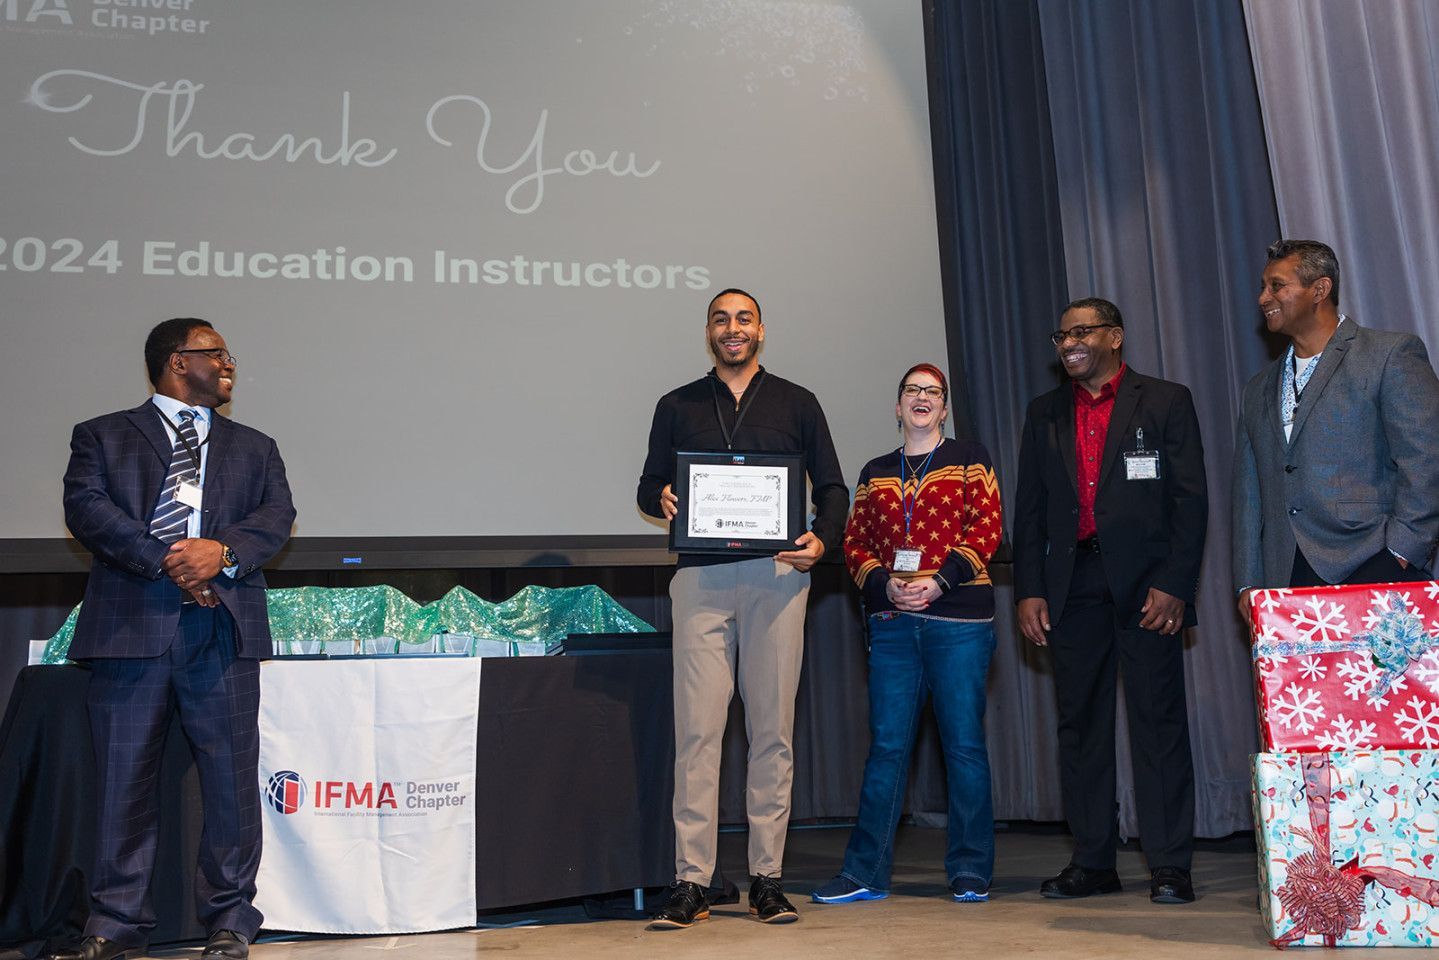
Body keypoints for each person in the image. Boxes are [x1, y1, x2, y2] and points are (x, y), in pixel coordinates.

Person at [54, 318, 295, 960]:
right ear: (177, 361)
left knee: (231, 782)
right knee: (122, 781)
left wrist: (222, 553)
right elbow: (87, 507)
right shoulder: (103, 435)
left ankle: (230, 919)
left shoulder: (256, 447)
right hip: (130, 630)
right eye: (216, 353)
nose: (229, 364)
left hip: (222, 628)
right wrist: (168, 558)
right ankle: (115, 924)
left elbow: (277, 516)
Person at [637, 288, 848, 928]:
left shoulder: (797, 402)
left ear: (761, 330)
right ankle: (691, 881)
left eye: (744, 319)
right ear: (709, 331)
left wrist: (823, 539)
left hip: (776, 577)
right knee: (697, 734)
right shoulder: (676, 404)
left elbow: (833, 488)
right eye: (721, 319)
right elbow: (647, 486)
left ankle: (767, 879)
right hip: (700, 580)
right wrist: (663, 496)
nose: (733, 328)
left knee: (772, 733)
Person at [1012, 298, 1207, 905]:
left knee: (1158, 723)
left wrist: (1176, 584)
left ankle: (1169, 865)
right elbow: (1031, 509)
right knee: (1080, 727)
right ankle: (1093, 861)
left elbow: (1190, 501)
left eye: (1082, 331)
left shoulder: (1165, 400)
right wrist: (1030, 589)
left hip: (1148, 587)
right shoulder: (1044, 412)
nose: (1068, 343)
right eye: (1061, 335)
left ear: (1115, 337)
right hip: (1072, 586)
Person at [811, 363, 1001, 906]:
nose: (922, 398)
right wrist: (884, 584)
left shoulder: (971, 458)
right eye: (912, 391)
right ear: (898, 407)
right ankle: (865, 872)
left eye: (932, 392)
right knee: (887, 749)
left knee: (963, 747)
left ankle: (970, 870)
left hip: (959, 622)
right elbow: (855, 542)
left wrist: (939, 582)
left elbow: (987, 526)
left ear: (944, 408)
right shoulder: (874, 471)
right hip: (893, 623)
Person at [1233, 239, 1439, 604]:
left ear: (1320, 289)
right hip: (1284, 580)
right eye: (1263, 287)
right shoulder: (1257, 388)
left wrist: (1400, 552)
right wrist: (1248, 584)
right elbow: (1248, 494)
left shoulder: (1389, 354)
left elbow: (1425, 459)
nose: (1263, 298)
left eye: (1277, 286)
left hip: (1375, 564)